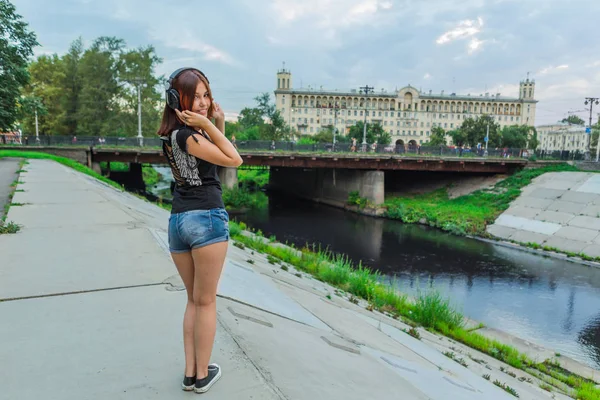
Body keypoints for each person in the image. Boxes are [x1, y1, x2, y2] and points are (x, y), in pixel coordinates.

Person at [157, 67, 243, 394]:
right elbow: (233, 160)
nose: (204, 102)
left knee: (193, 301)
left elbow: (213, 157)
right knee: (205, 302)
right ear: (178, 99)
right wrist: (208, 124)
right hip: (206, 219)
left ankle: (191, 372)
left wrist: (216, 123)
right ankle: (203, 376)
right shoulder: (190, 134)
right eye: (196, 95)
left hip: (179, 222)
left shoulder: (173, 134)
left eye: (207, 94)